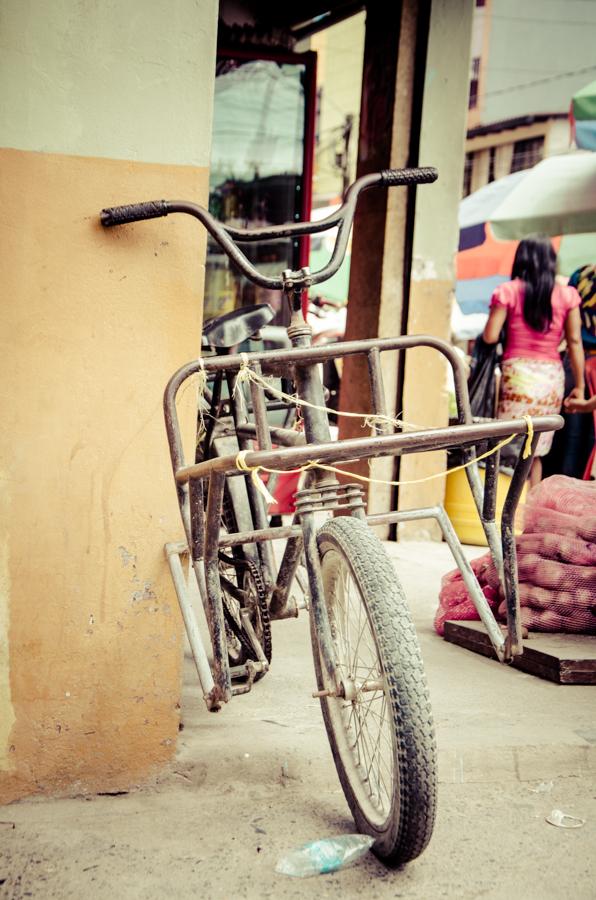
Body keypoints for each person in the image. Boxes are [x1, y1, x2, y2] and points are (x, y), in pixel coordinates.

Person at [483, 236, 584, 487]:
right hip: (551, 379)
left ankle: (499, 510)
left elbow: (490, 336)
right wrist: (579, 385)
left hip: (517, 376)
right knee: (536, 450)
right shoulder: (567, 295)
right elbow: (574, 341)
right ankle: (530, 517)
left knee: (508, 444)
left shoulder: (508, 291)